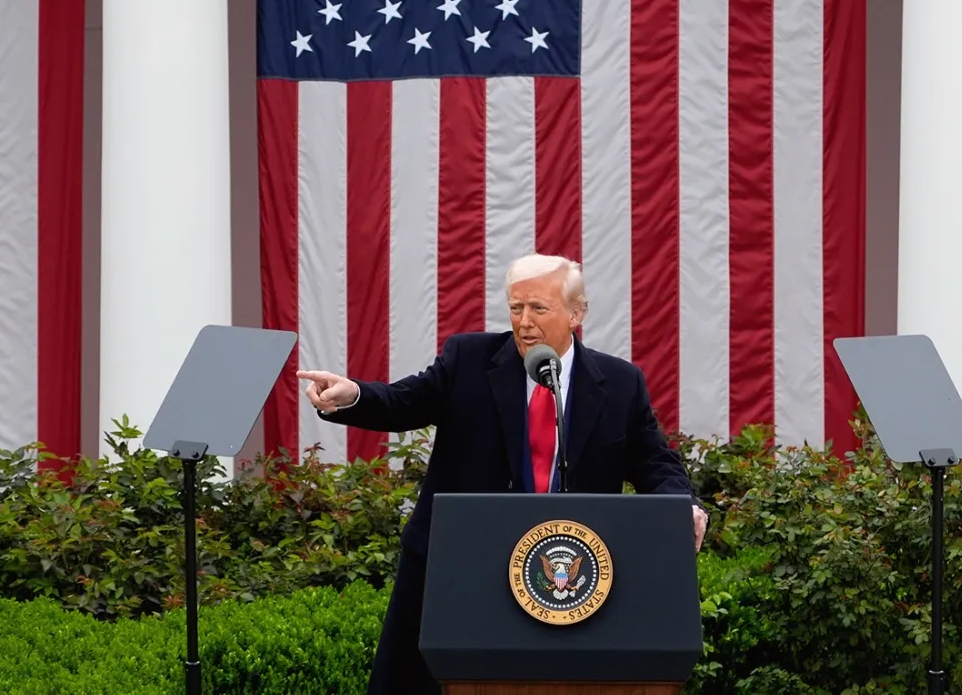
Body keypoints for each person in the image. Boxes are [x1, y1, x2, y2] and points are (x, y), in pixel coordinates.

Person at [300, 252, 707, 695]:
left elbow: (654, 462)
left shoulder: (619, 383)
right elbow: (405, 401)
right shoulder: (468, 360)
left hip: (564, 579)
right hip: (464, 566)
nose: (525, 322)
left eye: (539, 308)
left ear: (576, 314)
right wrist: (353, 395)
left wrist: (681, 506)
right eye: (516, 308)